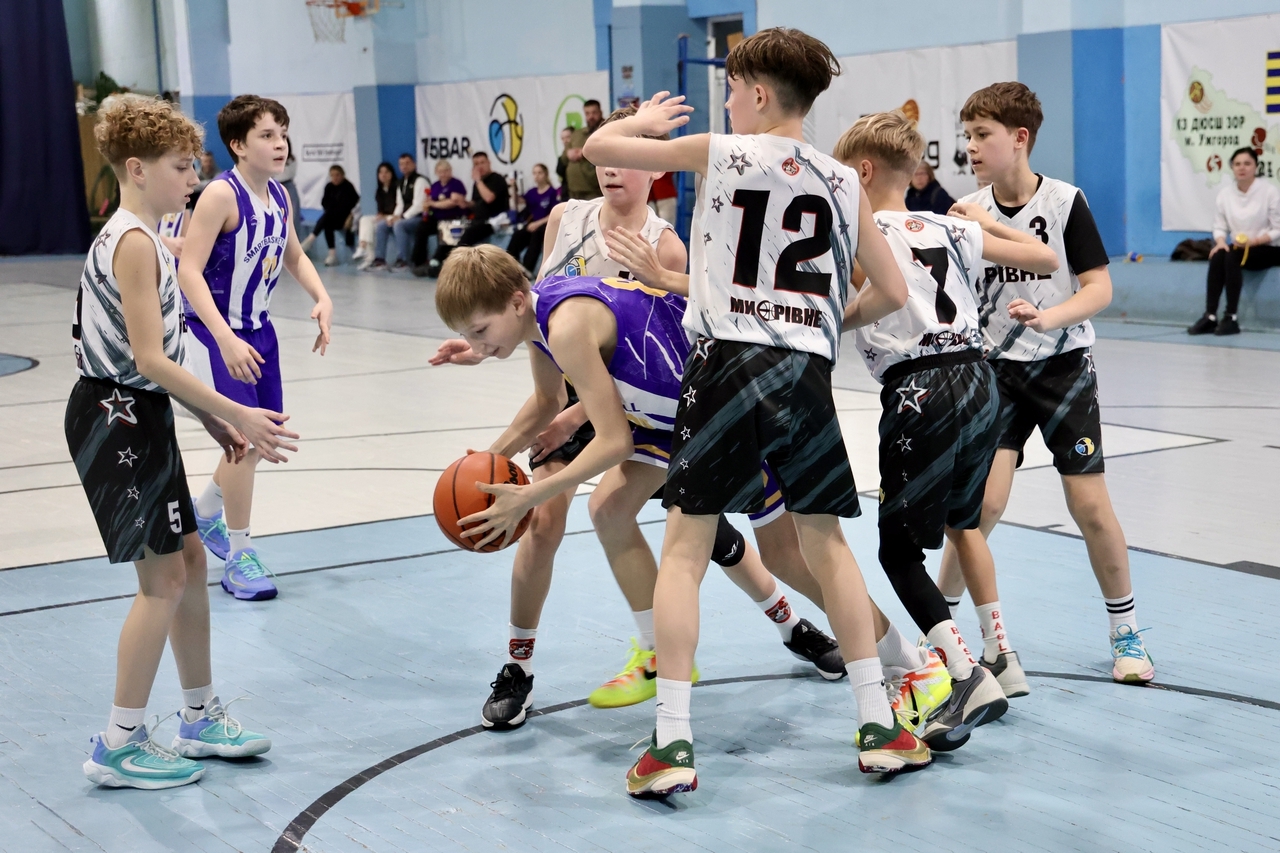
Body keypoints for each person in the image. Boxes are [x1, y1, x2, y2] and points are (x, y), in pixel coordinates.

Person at [585, 28, 932, 796]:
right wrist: (821, 322)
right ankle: (880, 724)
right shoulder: (841, 178)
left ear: (761, 94)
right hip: (803, 369)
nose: (729, 102)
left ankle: (673, 741)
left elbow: (598, 147)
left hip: (725, 364)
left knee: (684, 550)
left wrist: (644, 124)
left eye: (733, 90)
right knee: (828, 547)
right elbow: (892, 292)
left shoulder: (724, 152)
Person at [431, 114, 846, 728]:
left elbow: (660, 347)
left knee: (710, 532)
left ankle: (796, 627)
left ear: (656, 170)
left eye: (628, 156)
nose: (611, 168)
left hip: (653, 403)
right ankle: (522, 665)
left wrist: (576, 407)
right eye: (604, 156)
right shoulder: (565, 220)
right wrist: (491, 454)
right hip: (588, 393)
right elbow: (537, 331)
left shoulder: (666, 245)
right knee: (551, 522)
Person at [70, 95, 295, 790]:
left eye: (195, 165)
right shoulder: (134, 242)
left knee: (192, 560)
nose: (194, 178)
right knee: (162, 580)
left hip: (141, 411)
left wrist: (208, 420)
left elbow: (154, 363)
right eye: (181, 166)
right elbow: (149, 358)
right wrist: (236, 411)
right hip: (116, 420)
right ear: (138, 170)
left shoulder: (147, 235)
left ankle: (198, 716)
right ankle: (118, 742)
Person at [834, 110, 1062, 743]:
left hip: (921, 387)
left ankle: (965, 676)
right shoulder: (945, 224)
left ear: (861, 172)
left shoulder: (856, 231)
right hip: (981, 380)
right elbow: (1045, 257)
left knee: (897, 552)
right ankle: (993, 658)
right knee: (962, 524)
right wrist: (985, 223)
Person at [935, 82, 1156, 689]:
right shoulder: (964, 210)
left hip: (1063, 368)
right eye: (967, 136)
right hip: (996, 374)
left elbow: (1099, 287)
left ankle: (1125, 632)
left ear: (1019, 138)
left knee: (1090, 506)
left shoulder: (1064, 202)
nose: (971, 147)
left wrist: (1050, 317)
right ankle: (940, 631)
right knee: (982, 507)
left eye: (982, 135)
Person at [178, 94, 334, 602]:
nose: (280, 144)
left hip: (260, 331)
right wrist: (224, 338)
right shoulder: (219, 196)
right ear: (238, 145)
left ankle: (205, 512)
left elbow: (294, 255)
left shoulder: (281, 197)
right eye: (267, 135)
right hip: (215, 333)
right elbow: (188, 271)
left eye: (282, 134)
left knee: (264, 438)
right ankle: (239, 555)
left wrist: (322, 296)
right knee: (245, 442)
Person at [1188, 146, 1280, 336]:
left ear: (1255, 167)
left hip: (1269, 248)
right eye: (1237, 164)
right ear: (1232, 168)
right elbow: (1219, 226)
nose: (1242, 168)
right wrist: (1220, 241)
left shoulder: (1270, 192)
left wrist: (1253, 242)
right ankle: (1210, 316)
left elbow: (1278, 230)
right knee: (1219, 255)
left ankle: (1231, 317)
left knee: (1232, 255)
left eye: (1247, 163)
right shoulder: (1225, 195)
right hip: (1240, 249)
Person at [424, 151, 508, 276]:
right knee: (450, 231)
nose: (480, 166)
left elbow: (489, 198)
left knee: (469, 233)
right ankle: (436, 261)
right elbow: (475, 203)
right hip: (477, 219)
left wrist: (478, 180)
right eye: (476, 164)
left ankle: (454, 263)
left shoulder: (497, 179)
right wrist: (464, 202)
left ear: (489, 163)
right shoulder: (477, 184)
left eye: (482, 163)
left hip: (493, 220)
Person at [411, 159, 468, 275]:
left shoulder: (457, 184)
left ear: (450, 171)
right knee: (421, 228)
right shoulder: (435, 186)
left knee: (444, 230)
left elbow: (452, 203)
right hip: (435, 218)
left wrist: (434, 203)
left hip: (452, 218)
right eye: (440, 171)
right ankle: (419, 262)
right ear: (436, 173)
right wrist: (429, 205)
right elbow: (429, 201)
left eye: (446, 171)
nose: (443, 174)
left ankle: (438, 262)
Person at [372, 153, 428, 271]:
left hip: (420, 218)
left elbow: (419, 205)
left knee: (399, 225)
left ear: (414, 164)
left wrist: (402, 217)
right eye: (401, 164)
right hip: (405, 217)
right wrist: (394, 217)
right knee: (382, 225)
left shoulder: (420, 181)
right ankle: (380, 260)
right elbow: (400, 204)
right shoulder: (401, 182)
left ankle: (403, 261)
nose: (404, 166)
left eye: (407, 163)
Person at [503, 162, 557, 274]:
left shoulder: (552, 192)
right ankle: (509, 263)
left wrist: (537, 223)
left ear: (546, 174)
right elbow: (519, 201)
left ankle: (528, 267)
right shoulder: (532, 192)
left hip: (545, 224)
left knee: (536, 235)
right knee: (518, 234)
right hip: (532, 224)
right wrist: (513, 188)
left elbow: (554, 213)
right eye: (534, 173)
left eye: (540, 173)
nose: (537, 176)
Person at [301, 165, 360, 267]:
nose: (335, 178)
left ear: (342, 175)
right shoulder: (329, 187)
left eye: (337, 175)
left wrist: (350, 217)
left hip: (346, 219)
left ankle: (310, 239)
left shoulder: (348, 187)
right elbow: (325, 203)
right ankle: (332, 254)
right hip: (333, 217)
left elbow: (354, 205)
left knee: (327, 218)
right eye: (332, 175)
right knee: (327, 222)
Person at [352, 161, 396, 268]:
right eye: (381, 172)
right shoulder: (379, 191)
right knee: (365, 220)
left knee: (373, 226)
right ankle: (364, 251)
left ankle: (368, 255)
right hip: (385, 217)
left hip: (395, 217)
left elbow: (397, 208)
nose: (383, 175)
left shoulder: (397, 187)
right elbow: (381, 209)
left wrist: (384, 216)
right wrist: (380, 215)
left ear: (391, 174)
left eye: (386, 172)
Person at [564, 100, 604, 200]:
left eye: (594, 113)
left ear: (600, 112)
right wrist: (568, 153)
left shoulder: (606, 130)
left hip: (594, 190)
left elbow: (609, 149)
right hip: (573, 190)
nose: (591, 116)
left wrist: (584, 152)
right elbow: (564, 156)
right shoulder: (578, 134)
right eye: (587, 113)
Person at [279, 139, 301, 230]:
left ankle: (294, 235)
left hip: (288, 185)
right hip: (274, 185)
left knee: (293, 213)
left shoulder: (291, 159)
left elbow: (287, 174)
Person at [555, 127, 573, 202]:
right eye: (563, 138)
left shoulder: (583, 154)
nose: (565, 141)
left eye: (568, 137)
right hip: (567, 195)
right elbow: (559, 171)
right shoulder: (562, 158)